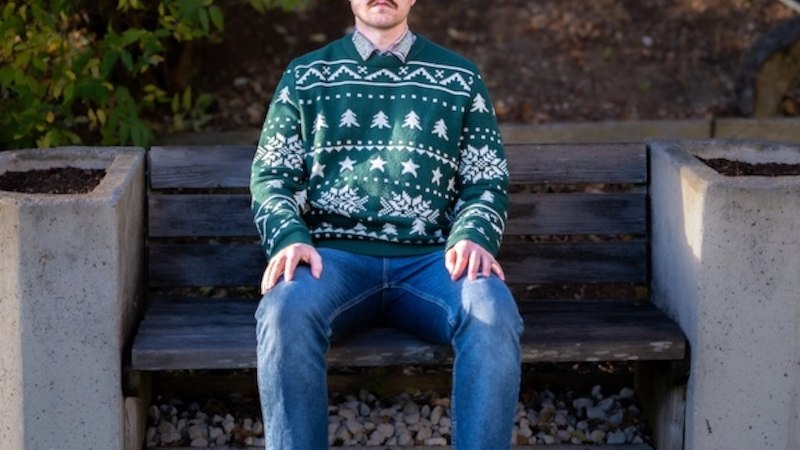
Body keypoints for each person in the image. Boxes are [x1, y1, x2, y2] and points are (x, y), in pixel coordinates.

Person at [250, 0, 523, 448]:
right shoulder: (306, 76)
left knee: (491, 310)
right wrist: (288, 238)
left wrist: (473, 234)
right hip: (331, 263)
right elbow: (273, 176)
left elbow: (484, 180)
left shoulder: (460, 77)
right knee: (283, 313)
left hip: (433, 265)